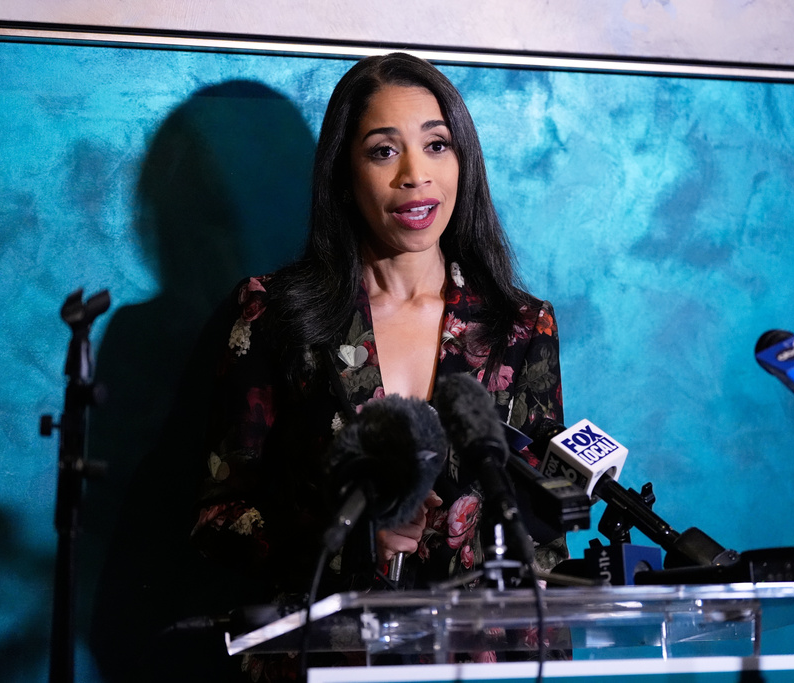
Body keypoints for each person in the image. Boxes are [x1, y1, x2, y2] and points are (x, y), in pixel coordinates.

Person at [191, 52, 567, 676]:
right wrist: (349, 535)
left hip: (476, 665)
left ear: (463, 161)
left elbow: (544, 539)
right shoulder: (273, 314)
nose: (415, 176)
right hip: (324, 664)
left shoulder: (522, 326)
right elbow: (218, 518)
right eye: (383, 151)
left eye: (437, 144)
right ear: (344, 174)